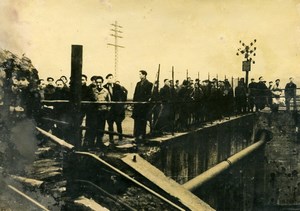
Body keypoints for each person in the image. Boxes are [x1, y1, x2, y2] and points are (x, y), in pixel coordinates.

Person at [84, 76, 111, 149]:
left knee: (101, 128)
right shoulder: (92, 91)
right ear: (95, 83)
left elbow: (109, 102)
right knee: (93, 128)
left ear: (102, 82)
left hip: (103, 112)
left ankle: (99, 143)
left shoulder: (106, 91)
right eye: (97, 82)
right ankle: (91, 144)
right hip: (94, 113)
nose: (99, 84)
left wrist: (107, 110)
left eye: (100, 82)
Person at [104, 74, 127, 144]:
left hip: (117, 109)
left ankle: (120, 137)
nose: (110, 79)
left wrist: (121, 105)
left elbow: (123, 96)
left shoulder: (118, 87)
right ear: (107, 79)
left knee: (118, 123)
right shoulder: (104, 87)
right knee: (110, 125)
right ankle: (111, 139)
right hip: (109, 110)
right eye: (109, 78)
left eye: (111, 78)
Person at [132, 70, 153, 141]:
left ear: (144, 75)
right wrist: (134, 103)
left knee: (143, 121)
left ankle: (142, 135)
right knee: (137, 120)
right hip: (137, 106)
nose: (139, 76)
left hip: (144, 106)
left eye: (141, 74)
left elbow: (149, 95)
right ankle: (136, 135)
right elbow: (135, 94)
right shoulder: (138, 83)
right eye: (139, 74)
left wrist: (145, 101)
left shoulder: (149, 84)